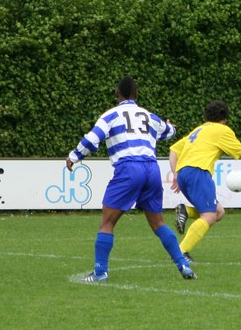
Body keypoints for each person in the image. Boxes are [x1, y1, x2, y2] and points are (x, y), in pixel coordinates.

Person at [66, 76, 195, 282]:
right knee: (158, 223)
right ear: (137, 94)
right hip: (152, 169)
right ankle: (184, 265)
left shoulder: (110, 116)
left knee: (107, 222)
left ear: (116, 94)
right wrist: (170, 126)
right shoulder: (149, 116)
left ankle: (100, 273)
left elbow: (92, 139)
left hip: (129, 168)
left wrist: (74, 156)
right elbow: (168, 132)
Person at [169, 100, 241, 260]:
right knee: (209, 215)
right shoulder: (222, 130)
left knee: (219, 212)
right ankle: (181, 253)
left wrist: (175, 174)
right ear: (224, 117)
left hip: (184, 173)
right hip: (198, 172)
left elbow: (173, 150)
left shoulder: (198, 130)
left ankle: (185, 211)